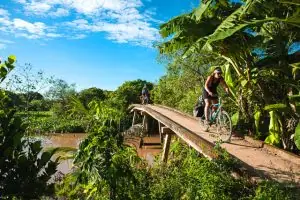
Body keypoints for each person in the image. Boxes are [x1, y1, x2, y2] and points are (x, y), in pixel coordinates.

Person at [202, 67, 229, 131]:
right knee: (208, 103)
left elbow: (225, 85)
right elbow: (205, 85)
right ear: (214, 73)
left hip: (213, 91)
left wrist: (227, 91)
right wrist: (209, 92)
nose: (219, 75)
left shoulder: (220, 78)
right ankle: (207, 120)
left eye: (220, 73)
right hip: (206, 90)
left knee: (216, 105)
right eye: (218, 73)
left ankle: (213, 117)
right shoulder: (210, 77)